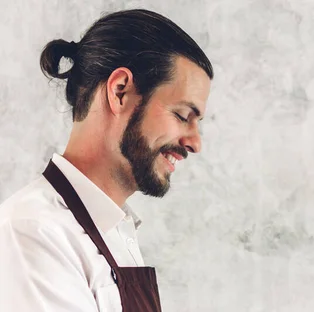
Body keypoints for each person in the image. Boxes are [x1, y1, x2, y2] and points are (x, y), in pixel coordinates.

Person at [0, 8, 213, 311]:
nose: (195, 143)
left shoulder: (115, 231)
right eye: (182, 116)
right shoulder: (33, 232)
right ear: (120, 91)